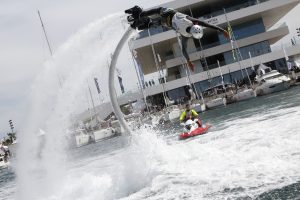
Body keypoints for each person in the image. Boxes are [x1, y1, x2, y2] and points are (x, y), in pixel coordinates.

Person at [125, 6, 230, 72]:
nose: (189, 29)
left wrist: (188, 61)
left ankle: (143, 21)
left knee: (152, 24)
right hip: (170, 13)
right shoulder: (191, 21)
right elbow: (206, 24)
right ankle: (139, 12)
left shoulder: (186, 35)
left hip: (168, 22)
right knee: (158, 11)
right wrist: (221, 30)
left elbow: (184, 49)